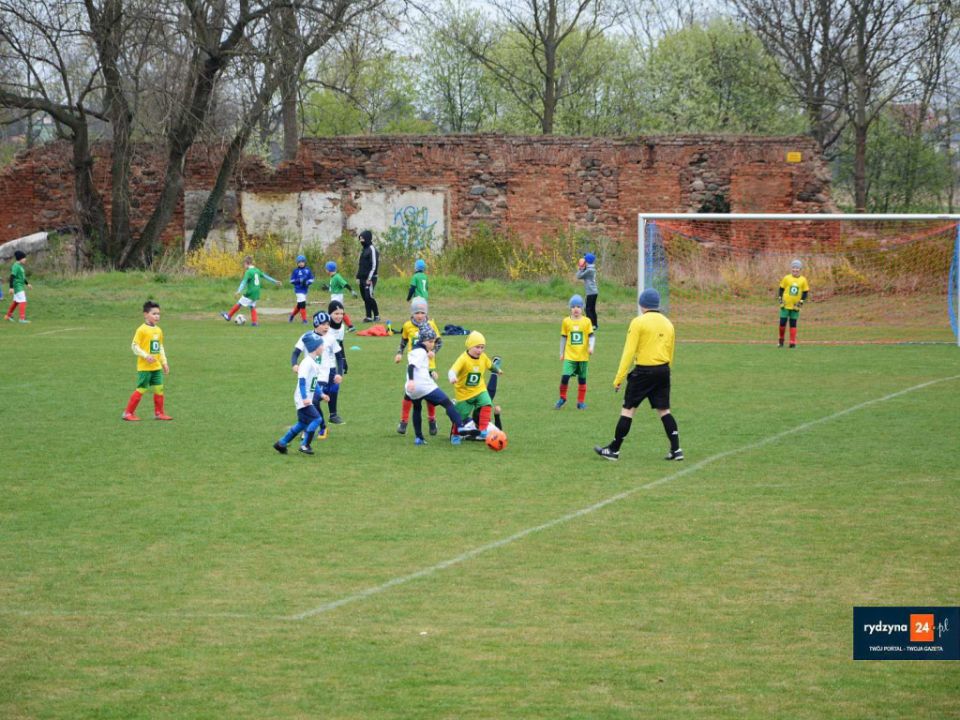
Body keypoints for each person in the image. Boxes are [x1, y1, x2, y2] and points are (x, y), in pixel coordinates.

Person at [594, 288, 682, 462]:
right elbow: (670, 351)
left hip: (643, 372)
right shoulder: (668, 324)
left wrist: (619, 378)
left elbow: (628, 352)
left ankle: (614, 450)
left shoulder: (638, 322)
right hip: (663, 371)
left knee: (628, 410)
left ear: (642, 304)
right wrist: (667, 371)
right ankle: (676, 449)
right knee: (664, 410)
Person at [404, 325, 477, 446]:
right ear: (423, 341)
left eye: (433, 341)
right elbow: (412, 366)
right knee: (447, 403)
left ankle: (419, 438)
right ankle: (460, 427)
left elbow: (418, 368)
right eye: (430, 341)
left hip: (412, 389)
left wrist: (430, 373)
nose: (432, 344)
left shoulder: (416, 351)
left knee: (417, 408)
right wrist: (412, 380)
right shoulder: (420, 352)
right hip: (422, 386)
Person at [290, 311, 341, 439]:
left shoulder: (330, 338)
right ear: (316, 324)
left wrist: (339, 373)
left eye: (328, 324)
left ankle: (319, 428)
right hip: (308, 376)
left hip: (322, 376)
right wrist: (294, 364)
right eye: (323, 324)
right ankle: (310, 427)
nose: (326, 327)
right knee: (306, 403)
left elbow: (339, 356)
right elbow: (295, 353)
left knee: (314, 401)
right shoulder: (306, 336)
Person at [395, 297, 442, 436]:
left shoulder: (431, 325)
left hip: (428, 366)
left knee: (429, 394)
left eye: (422, 312)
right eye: (417, 313)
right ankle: (403, 422)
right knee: (409, 393)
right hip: (414, 365)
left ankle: (432, 420)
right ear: (412, 313)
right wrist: (399, 353)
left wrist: (433, 351)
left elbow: (439, 342)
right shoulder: (407, 325)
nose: (420, 315)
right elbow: (403, 341)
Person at [274, 332, 327, 455]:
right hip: (303, 399)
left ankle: (281, 443)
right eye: (321, 345)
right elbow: (302, 381)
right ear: (315, 347)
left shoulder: (313, 362)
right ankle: (305, 445)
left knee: (302, 423)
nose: (323, 348)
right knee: (317, 419)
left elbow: (313, 382)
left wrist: (321, 394)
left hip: (305, 398)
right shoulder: (307, 363)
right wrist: (304, 398)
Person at [122, 300, 172, 421]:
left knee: (159, 388)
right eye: (154, 314)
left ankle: (159, 413)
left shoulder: (159, 330)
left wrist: (164, 362)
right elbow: (134, 346)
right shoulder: (141, 330)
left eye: (158, 314)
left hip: (156, 367)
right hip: (145, 367)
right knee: (142, 389)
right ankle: (128, 413)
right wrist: (145, 356)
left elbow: (160, 347)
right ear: (145, 314)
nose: (157, 316)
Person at [447, 330, 501, 442]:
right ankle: (455, 435)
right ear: (470, 346)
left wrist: (497, 370)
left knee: (487, 402)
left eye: (482, 347)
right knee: (460, 417)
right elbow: (452, 370)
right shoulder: (463, 359)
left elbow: (490, 365)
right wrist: (452, 377)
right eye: (477, 347)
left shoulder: (483, 357)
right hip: (464, 394)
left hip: (479, 390)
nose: (480, 350)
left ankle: (483, 430)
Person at [556, 294, 595, 410]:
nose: (576, 309)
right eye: (573, 307)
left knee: (582, 380)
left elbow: (591, 336)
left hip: (583, 356)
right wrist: (561, 353)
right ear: (570, 308)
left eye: (578, 306)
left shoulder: (587, 321)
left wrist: (591, 347)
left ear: (582, 308)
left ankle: (580, 402)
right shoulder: (566, 321)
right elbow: (563, 338)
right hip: (570, 356)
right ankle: (562, 398)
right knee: (565, 377)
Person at [220, 255, 281, 326]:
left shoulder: (248, 272)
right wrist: (275, 281)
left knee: (239, 303)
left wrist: (239, 291)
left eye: (244, 264)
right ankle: (254, 322)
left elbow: (243, 282)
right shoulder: (257, 270)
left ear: (247, 263)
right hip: (257, 293)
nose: (244, 266)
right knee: (252, 306)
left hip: (250, 293)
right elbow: (265, 276)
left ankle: (228, 316)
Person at [324, 300, 350, 423]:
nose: (339, 316)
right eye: (336, 313)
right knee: (320, 392)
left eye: (341, 313)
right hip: (321, 365)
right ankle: (309, 418)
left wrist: (344, 360)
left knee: (334, 387)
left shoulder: (342, 327)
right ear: (329, 314)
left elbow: (340, 345)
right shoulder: (325, 328)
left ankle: (333, 415)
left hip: (333, 364)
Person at [778, 259, 810, 348]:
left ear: (800, 269)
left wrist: (801, 302)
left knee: (793, 323)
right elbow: (781, 289)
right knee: (782, 323)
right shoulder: (786, 278)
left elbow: (805, 292)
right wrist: (780, 299)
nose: (795, 269)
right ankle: (781, 340)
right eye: (793, 267)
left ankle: (792, 342)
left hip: (795, 306)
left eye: (797, 268)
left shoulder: (803, 280)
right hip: (785, 305)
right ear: (791, 268)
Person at [322, 261, 357, 332]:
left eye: (326, 269)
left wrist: (351, 291)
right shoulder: (333, 277)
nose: (325, 270)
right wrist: (327, 288)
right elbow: (333, 288)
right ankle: (350, 326)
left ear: (329, 269)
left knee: (333, 312)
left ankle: (332, 327)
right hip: (335, 296)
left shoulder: (337, 277)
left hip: (337, 297)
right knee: (339, 312)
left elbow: (345, 284)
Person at [356, 229, 380, 321]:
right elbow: (361, 264)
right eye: (360, 239)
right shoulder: (363, 250)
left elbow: (374, 265)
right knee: (364, 297)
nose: (361, 241)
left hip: (370, 278)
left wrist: (369, 279)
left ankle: (376, 315)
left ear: (367, 238)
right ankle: (368, 316)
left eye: (362, 239)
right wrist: (358, 277)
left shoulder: (372, 249)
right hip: (362, 278)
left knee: (369, 296)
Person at [5, 250, 33, 323]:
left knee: (16, 302)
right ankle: (22, 319)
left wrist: (27, 284)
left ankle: (8, 316)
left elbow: (22, 277)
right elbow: (12, 276)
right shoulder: (16, 266)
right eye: (24, 258)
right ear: (20, 258)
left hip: (20, 286)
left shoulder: (20, 266)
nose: (25, 259)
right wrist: (11, 287)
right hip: (17, 286)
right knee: (23, 300)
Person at [288, 255, 315, 324]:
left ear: (305, 262)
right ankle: (304, 320)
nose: (301, 263)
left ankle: (292, 315)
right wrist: (299, 280)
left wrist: (307, 282)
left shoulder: (308, 270)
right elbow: (291, 281)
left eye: (302, 262)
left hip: (305, 290)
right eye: (299, 262)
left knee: (299, 305)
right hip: (298, 290)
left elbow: (312, 279)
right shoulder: (295, 271)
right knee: (303, 304)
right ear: (297, 263)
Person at [576, 252, 599, 330]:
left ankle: (591, 324)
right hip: (593, 292)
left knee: (588, 309)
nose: (584, 261)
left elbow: (579, 276)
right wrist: (583, 267)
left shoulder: (589, 270)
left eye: (585, 260)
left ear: (587, 261)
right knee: (592, 309)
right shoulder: (591, 269)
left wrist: (580, 267)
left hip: (591, 292)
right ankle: (595, 324)